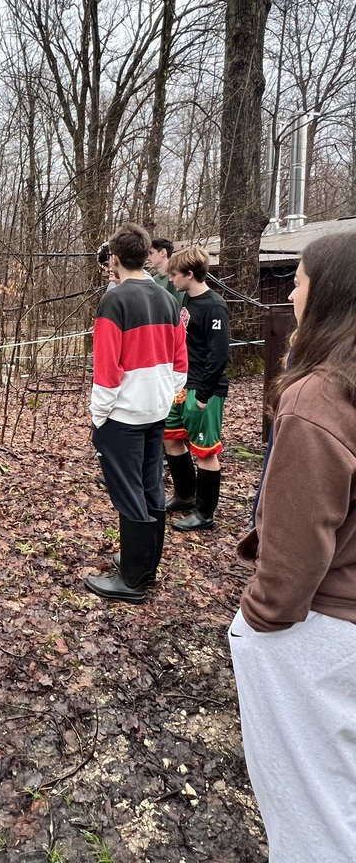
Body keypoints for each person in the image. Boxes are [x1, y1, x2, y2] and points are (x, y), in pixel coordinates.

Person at [229, 233, 356, 862]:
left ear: (327, 294)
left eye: (298, 281)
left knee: (312, 810)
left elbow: (296, 551)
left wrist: (256, 622)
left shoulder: (317, 399)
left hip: (319, 629)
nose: (290, 295)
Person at [85, 223, 188, 603]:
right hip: (155, 411)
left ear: (114, 258)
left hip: (124, 415)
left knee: (129, 492)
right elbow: (180, 361)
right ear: (145, 255)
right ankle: (144, 563)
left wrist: (99, 415)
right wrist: (164, 396)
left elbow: (107, 369)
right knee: (150, 486)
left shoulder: (114, 302)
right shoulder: (167, 298)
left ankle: (133, 580)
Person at [163, 246, 230, 532]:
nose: (171, 279)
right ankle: (184, 494)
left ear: (189, 274)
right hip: (181, 384)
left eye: (175, 275)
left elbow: (219, 354)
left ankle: (204, 513)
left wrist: (203, 395)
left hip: (204, 389)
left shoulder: (215, 306)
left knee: (204, 450)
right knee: (170, 436)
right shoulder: (185, 300)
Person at [146, 237, 185, 307]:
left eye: (151, 253)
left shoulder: (176, 278)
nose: (148, 258)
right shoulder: (153, 279)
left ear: (163, 253)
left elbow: (179, 307)